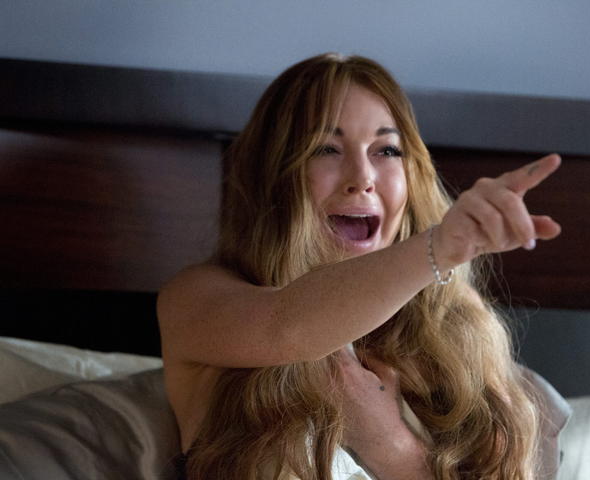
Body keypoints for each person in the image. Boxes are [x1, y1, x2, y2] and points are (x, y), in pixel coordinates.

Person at [157, 52, 563, 480]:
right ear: (273, 175)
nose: (362, 176)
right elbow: (288, 326)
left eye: (387, 150)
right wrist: (438, 247)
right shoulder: (196, 298)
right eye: (326, 149)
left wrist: (390, 446)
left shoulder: (457, 322)